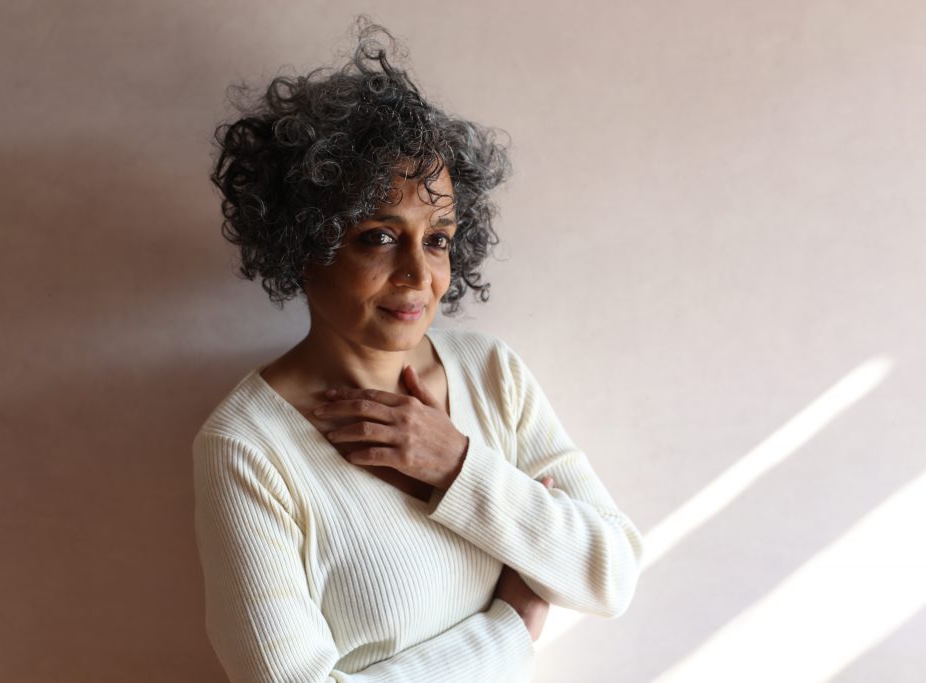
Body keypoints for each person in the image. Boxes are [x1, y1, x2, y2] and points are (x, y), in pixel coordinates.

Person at [193, 19, 644, 682]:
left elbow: (612, 573)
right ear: (303, 243)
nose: (418, 274)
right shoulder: (247, 447)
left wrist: (458, 466)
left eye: (437, 239)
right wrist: (511, 630)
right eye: (378, 236)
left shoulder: (491, 372)